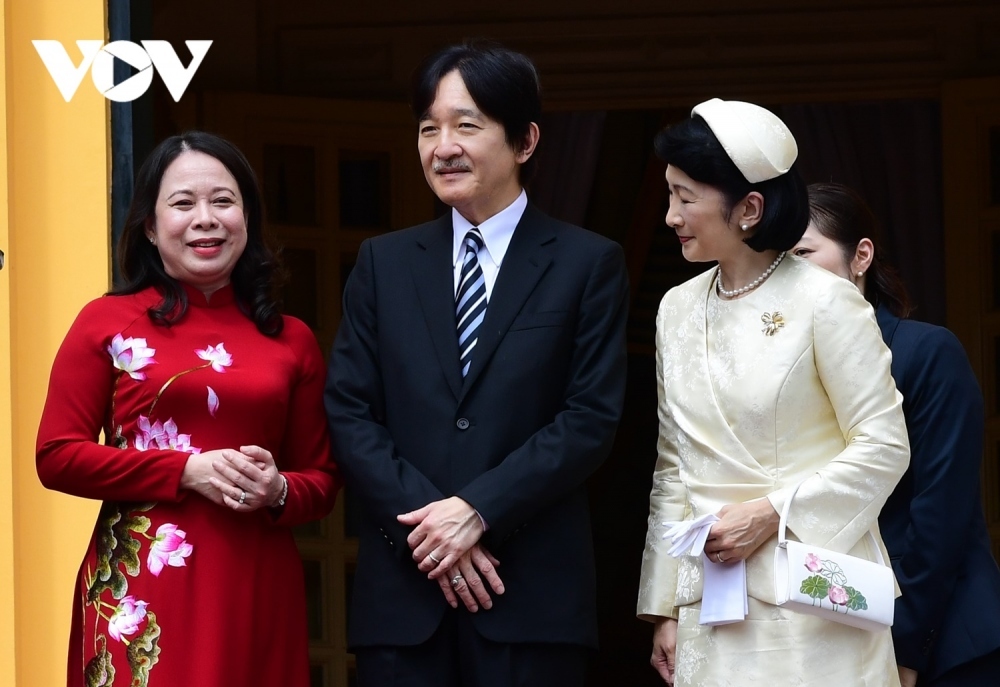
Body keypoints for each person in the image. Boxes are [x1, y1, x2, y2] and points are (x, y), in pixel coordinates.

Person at [324, 41, 629, 687]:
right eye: (429, 128)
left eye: (467, 125)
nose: (443, 146)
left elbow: (589, 417)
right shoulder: (384, 263)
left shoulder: (586, 263)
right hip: (405, 600)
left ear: (524, 141)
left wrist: (480, 509)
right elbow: (350, 410)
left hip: (530, 596)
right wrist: (437, 528)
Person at [36, 131, 340, 686]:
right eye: (183, 203)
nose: (206, 219)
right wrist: (185, 471)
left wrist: (278, 491)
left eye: (223, 201)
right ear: (150, 227)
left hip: (256, 583)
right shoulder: (106, 323)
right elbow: (56, 456)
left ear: (247, 218)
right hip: (145, 588)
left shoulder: (289, 338)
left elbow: (322, 480)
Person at [636, 99, 910, 686]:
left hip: (814, 597)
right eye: (669, 195)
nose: (670, 216)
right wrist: (664, 605)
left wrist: (771, 515)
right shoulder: (674, 308)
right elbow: (672, 466)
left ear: (750, 208)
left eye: (686, 197)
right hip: (711, 599)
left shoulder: (826, 301)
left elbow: (885, 445)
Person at [792, 182, 1000, 687]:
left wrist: (904, 648)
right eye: (777, 261)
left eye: (803, 253)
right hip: (828, 634)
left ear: (860, 255)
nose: (788, 274)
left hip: (940, 641)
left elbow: (940, 518)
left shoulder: (926, 353)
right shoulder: (786, 376)